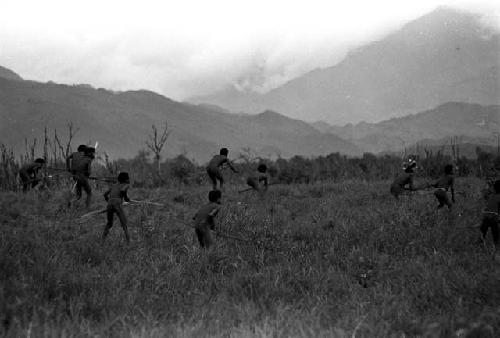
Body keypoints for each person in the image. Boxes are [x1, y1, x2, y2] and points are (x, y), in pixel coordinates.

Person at [102, 172, 131, 243]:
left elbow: (105, 194)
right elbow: (123, 191)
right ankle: (128, 243)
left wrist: (108, 201)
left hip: (109, 204)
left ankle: (102, 241)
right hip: (117, 204)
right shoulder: (126, 185)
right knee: (124, 224)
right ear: (125, 179)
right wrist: (126, 199)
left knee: (109, 223)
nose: (129, 179)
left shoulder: (113, 185)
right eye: (128, 178)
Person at [479, 180, 500, 262]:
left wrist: (488, 186)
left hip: (485, 217)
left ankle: (480, 248)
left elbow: (484, 195)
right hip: (493, 218)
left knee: (482, 233)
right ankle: (497, 253)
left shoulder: (491, 195)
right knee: (496, 236)